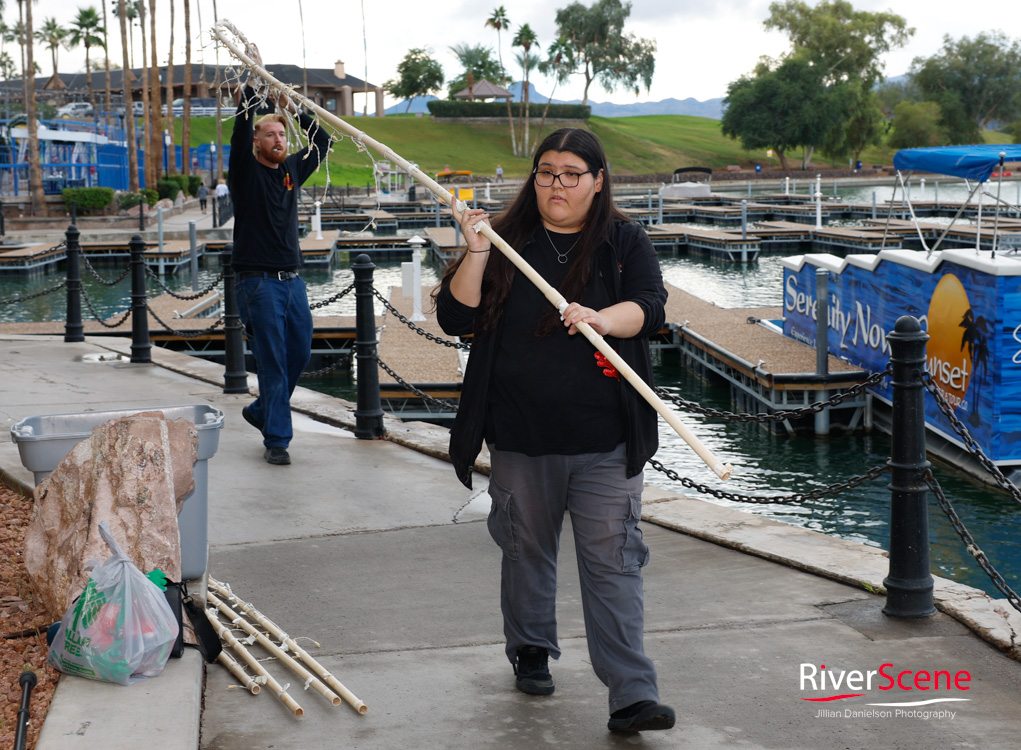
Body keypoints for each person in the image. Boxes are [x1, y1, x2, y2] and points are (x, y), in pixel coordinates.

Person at [435, 128, 673, 733]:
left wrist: (602, 317)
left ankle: (631, 694)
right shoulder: (505, 241)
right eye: (546, 172)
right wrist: (477, 250)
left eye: (572, 173)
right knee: (526, 552)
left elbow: (649, 305)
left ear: (598, 180)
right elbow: (456, 316)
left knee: (615, 562)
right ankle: (531, 646)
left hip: (606, 442)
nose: (557, 184)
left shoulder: (623, 241)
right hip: (520, 435)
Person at [228, 45, 332, 465]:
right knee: (271, 358)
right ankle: (277, 440)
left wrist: (288, 106)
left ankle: (259, 410)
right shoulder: (244, 171)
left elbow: (322, 141)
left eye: (282, 134)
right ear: (256, 141)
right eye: (270, 133)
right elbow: (239, 130)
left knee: (299, 353)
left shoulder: (291, 170)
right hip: (257, 283)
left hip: (293, 282)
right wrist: (251, 92)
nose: (278, 139)